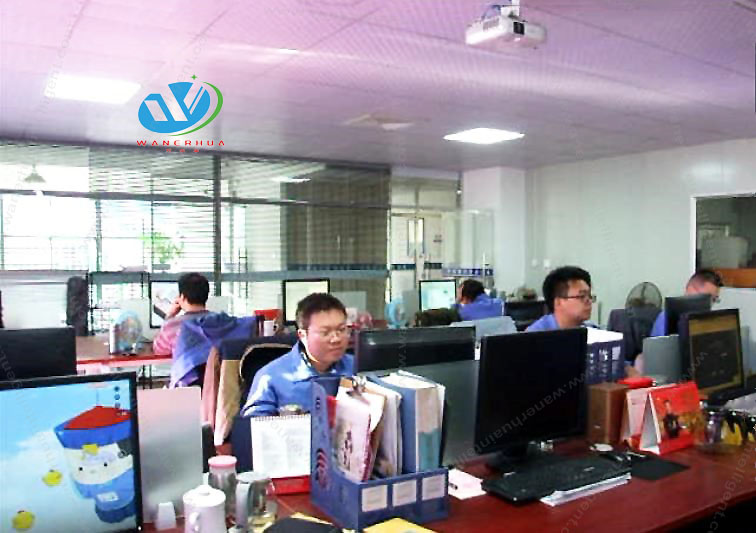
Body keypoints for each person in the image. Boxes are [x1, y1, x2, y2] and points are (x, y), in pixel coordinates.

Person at [241, 293, 354, 417]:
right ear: (302, 335)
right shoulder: (270, 377)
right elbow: (253, 426)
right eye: (325, 332)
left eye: (341, 330)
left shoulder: (357, 368)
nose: (336, 339)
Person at [648, 269, 723, 337]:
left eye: (714, 300)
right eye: (706, 298)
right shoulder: (666, 320)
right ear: (690, 290)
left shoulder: (706, 322)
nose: (710, 304)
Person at [152, 272, 210, 356]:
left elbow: (158, 351)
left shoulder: (172, 326)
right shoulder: (222, 323)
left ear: (182, 297)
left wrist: (169, 317)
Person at [526, 266, 596, 332]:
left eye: (590, 296)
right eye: (582, 296)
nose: (589, 301)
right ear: (558, 302)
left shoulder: (593, 330)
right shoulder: (535, 335)